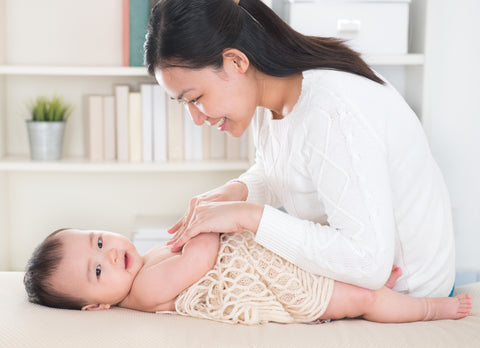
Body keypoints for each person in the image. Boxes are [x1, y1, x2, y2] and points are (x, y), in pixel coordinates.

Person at [144, 0, 456, 298]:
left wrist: (249, 216)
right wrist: (237, 191)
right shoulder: (272, 98)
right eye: (184, 103)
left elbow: (368, 263)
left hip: (407, 291)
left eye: (195, 98)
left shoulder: (331, 113)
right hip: (362, 280)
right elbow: (290, 169)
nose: (196, 119)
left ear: (236, 61)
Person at [24, 228, 471, 325]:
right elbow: (199, 262)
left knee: (321, 253)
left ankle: (373, 280)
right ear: (97, 305)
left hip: (266, 263)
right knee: (361, 300)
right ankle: (435, 308)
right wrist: (208, 225)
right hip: (274, 287)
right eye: (97, 270)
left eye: (99, 241)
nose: (109, 253)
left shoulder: (142, 262)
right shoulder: (142, 292)